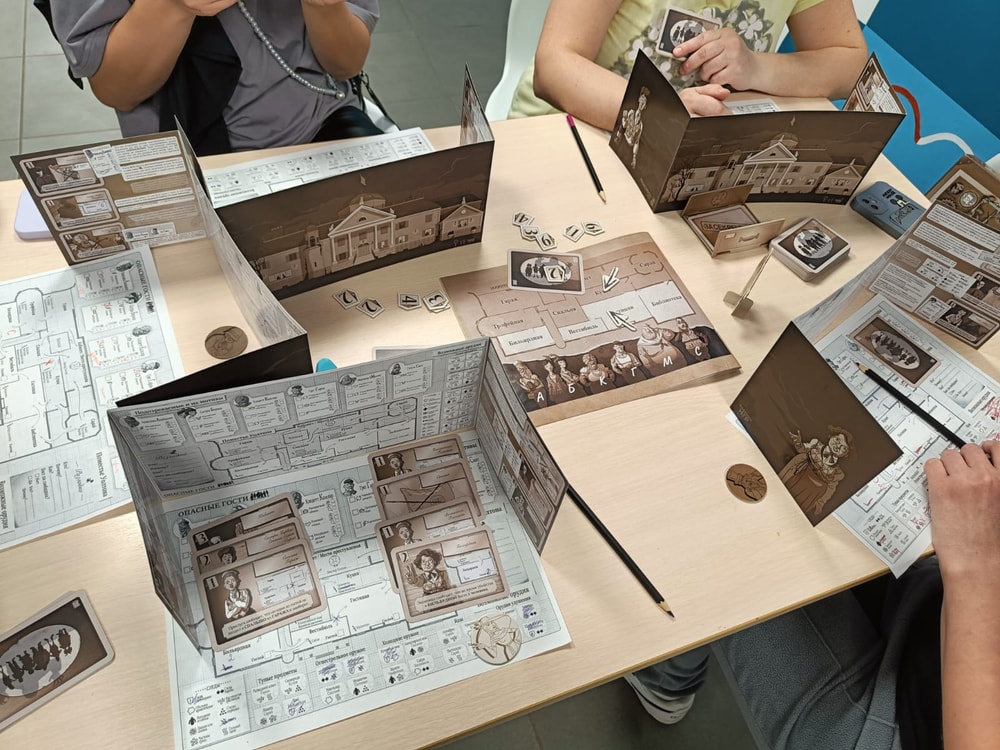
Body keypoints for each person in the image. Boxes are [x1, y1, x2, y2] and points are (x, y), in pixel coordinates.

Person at [628, 441, 1000, 748]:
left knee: (728, 537)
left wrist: (974, 562)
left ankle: (666, 686)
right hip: (945, 613)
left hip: (920, 722)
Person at [47, 0, 382, 155]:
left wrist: (326, 6)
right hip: (191, 151)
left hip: (325, 121)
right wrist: (172, 7)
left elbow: (347, 64)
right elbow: (117, 91)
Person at [510, 0, 868, 130]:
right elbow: (555, 67)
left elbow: (851, 64)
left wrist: (756, 67)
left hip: (691, 151)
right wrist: (664, 113)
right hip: (572, 128)